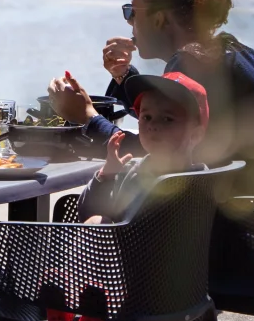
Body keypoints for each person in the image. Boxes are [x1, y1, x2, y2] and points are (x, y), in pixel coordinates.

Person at [46, 0, 254, 194]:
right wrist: (123, 76)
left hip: (253, 223)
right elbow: (165, 123)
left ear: (160, 19)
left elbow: (149, 151)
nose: (129, 23)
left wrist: (87, 117)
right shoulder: (228, 51)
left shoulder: (193, 62)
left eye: (132, 13)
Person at [78, 72, 210, 224]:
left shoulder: (201, 183)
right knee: (95, 221)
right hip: (124, 245)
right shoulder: (130, 171)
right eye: (146, 117)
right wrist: (106, 176)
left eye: (167, 119)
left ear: (195, 135)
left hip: (151, 247)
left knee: (95, 223)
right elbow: (86, 213)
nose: (153, 126)